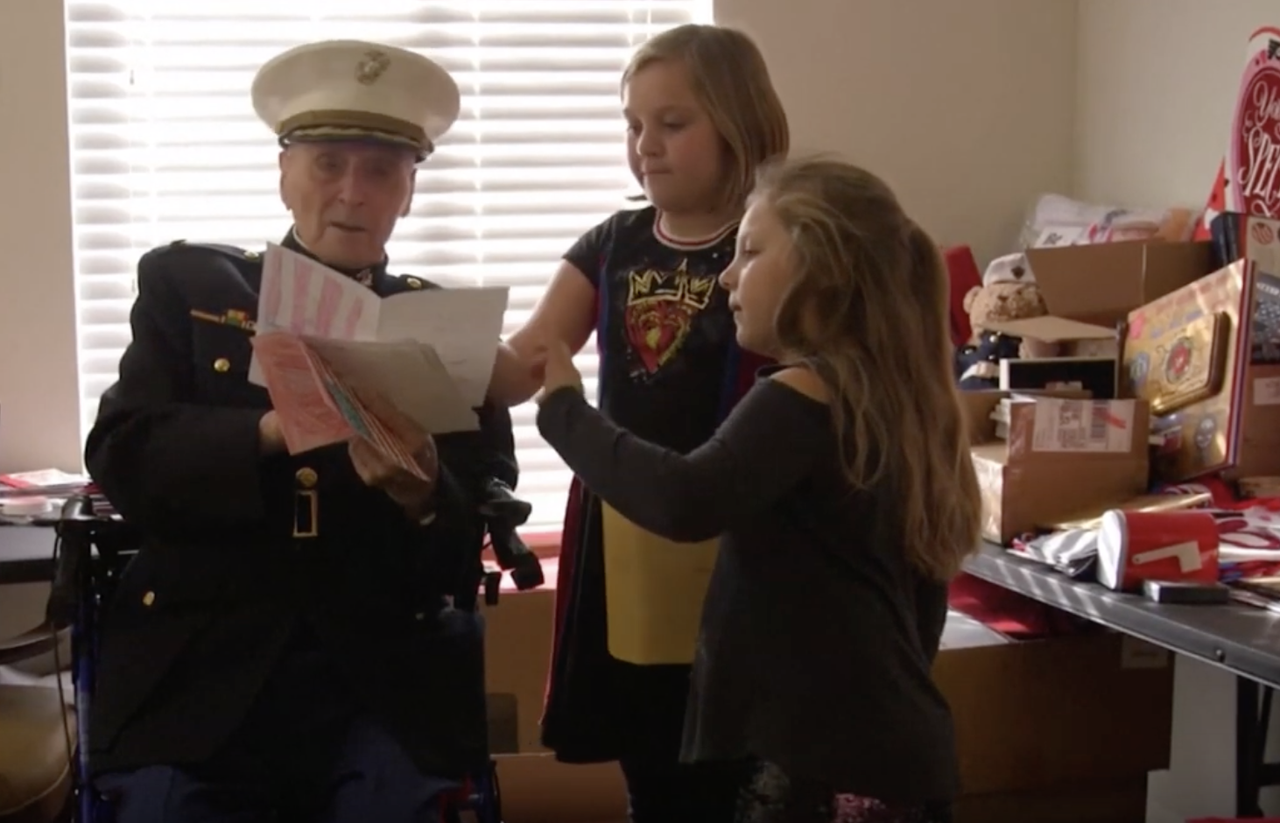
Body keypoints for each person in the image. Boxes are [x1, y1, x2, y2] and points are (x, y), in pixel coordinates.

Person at [84, 40, 517, 822]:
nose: (352, 192)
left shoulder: (443, 328)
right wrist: (270, 432)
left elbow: (467, 537)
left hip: (381, 680)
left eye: (382, 170)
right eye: (327, 165)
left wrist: (423, 494)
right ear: (284, 175)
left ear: (409, 192)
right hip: (205, 669)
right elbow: (123, 456)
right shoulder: (191, 287)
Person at [532, 156, 981, 823]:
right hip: (893, 754)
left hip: (826, 764)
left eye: (750, 251)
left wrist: (564, 407)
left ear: (821, 266)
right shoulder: (895, 403)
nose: (727, 277)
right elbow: (922, 612)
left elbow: (685, 498)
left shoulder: (801, 393)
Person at [495, 23, 789, 822]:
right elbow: (525, 359)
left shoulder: (776, 245)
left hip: (743, 538)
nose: (645, 145)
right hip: (624, 539)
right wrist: (422, 361)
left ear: (737, 121)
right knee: (652, 762)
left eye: (672, 122)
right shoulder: (612, 242)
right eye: (632, 124)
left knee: (738, 766)